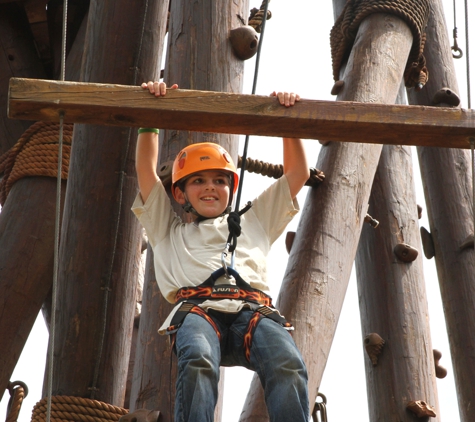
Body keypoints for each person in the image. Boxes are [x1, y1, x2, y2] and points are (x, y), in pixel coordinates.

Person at [132, 81, 310, 422]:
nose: (211, 187)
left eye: (220, 180)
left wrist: (289, 122)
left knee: (287, 363)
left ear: (231, 188)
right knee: (198, 360)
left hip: (252, 312)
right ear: (180, 194)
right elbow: (146, 173)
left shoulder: (254, 221)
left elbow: (297, 173)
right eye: (198, 181)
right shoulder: (168, 231)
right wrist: (149, 117)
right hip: (200, 311)